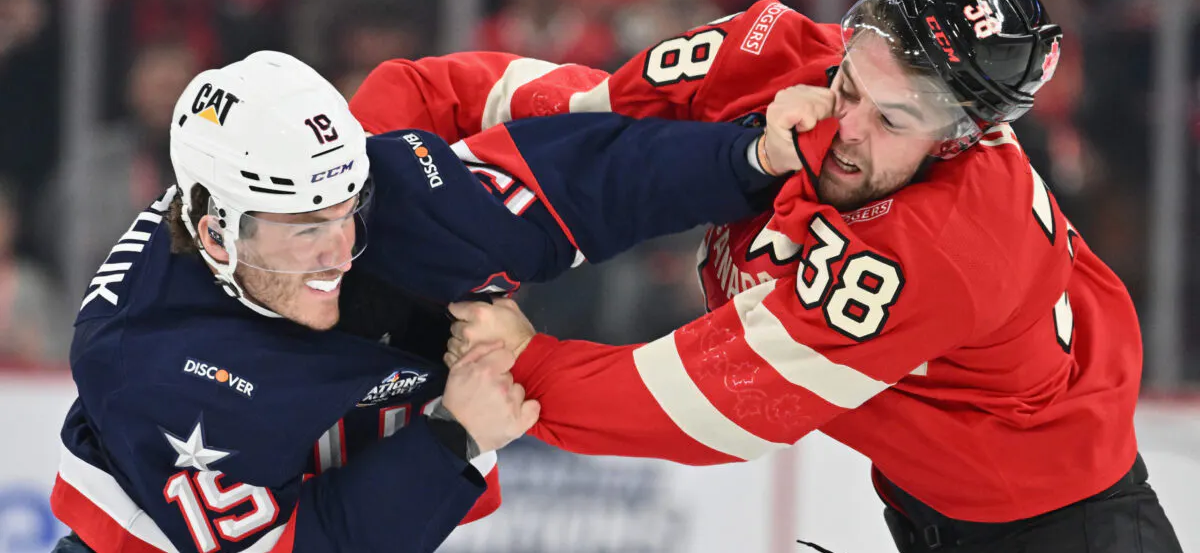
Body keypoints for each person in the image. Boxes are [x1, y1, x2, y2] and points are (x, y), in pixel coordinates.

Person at [441, 0, 1184, 553]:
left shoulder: (944, 245)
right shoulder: (781, 52)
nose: (848, 126)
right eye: (849, 84)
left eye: (892, 118)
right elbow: (588, 113)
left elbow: (713, 404)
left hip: (1067, 529)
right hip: (943, 502)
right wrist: (421, 126)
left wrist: (525, 366)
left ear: (956, 138)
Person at [50, 50, 809, 553]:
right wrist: (454, 437)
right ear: (218, 234)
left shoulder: (381, 195)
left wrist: (752, 156)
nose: (339, 250)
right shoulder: (147, 365)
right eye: (307, 229)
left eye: (346, 211)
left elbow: (583, 184)